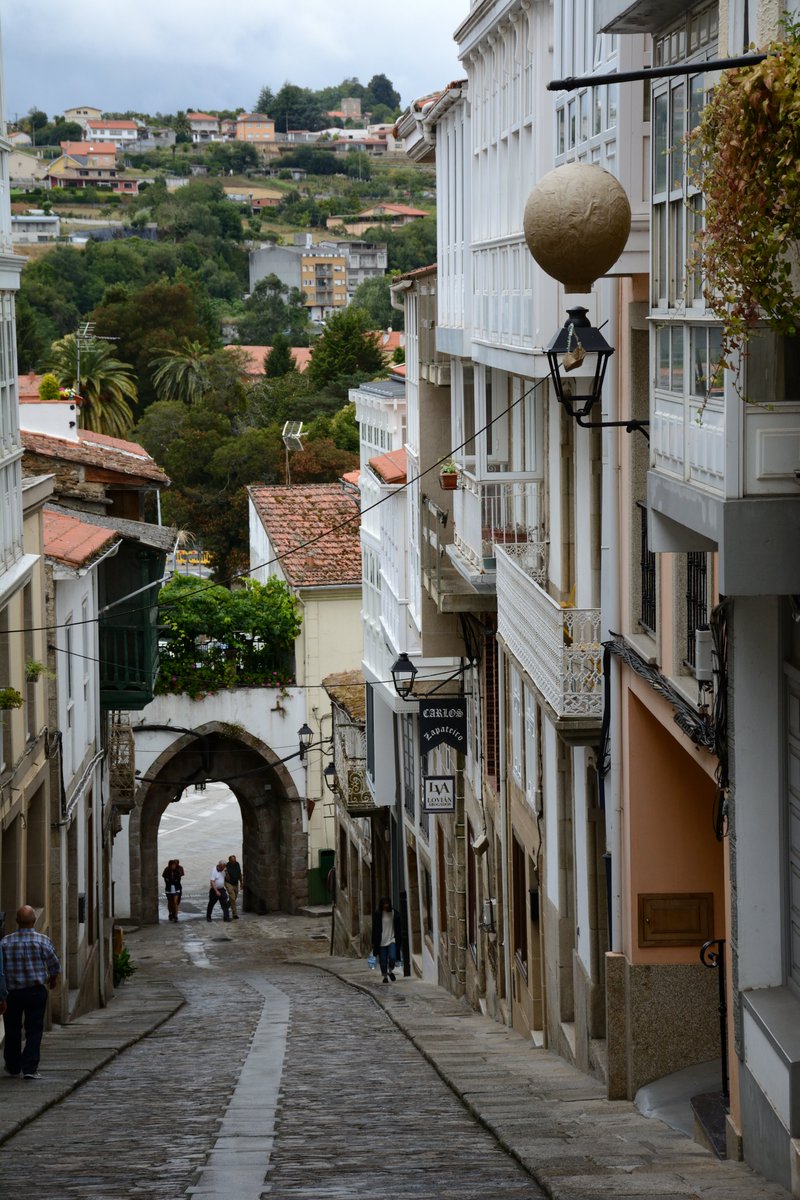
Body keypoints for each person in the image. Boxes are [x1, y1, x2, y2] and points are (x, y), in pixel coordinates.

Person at [1, 905, 61, 1079]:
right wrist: (53, 979)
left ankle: (12, 1066)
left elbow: (1, 970)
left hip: (12, 993)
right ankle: (29, 1068)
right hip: (35, 992)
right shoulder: (42, 941)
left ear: (17, 921)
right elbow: (54, 963)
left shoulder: (5, 942)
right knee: (34, 1029)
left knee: (12, 1029)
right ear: (34, 921)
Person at [371, 896, 402, 983]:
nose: (386, 905)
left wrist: (399, 938)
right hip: (381, 942)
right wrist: (373, 942)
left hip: (392, 940)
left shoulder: (394, 913)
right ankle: (385, 976)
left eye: (387, 904)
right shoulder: (378, 914)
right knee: (383, 961)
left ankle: (390, 971)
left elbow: (398, 926)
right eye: (384, 904)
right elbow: (374, 929)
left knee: (392, 957)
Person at [224, 855, 242, 919]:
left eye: (234, 860)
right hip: (228, 883)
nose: (234, 862)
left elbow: (239, 873)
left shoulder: (237, 864)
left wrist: (241, 883)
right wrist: (226, 872)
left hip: (236, 883)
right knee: (232, 896)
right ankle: (234, 914)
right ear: (229, 861)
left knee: (234, 897)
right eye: (232, 861)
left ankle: (226, 906)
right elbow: (227, 878)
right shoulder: (226, 866)